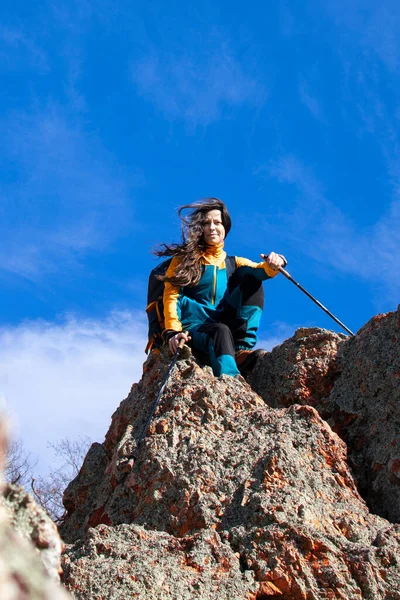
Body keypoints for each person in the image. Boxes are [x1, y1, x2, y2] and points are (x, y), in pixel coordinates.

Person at [155, 198, 287, 377]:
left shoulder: (234, 262)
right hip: (194, 330)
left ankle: (240, 351)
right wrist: (173, 332)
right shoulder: (183, 260)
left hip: (224, 327)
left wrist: (274, 263)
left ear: (225, 228)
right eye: (206, 223)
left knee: (252, 279)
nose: (212, 227)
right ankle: (231, 380)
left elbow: (260, 271)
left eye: (217, 222)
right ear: (199, 229)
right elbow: (171, 296)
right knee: (219, 330)